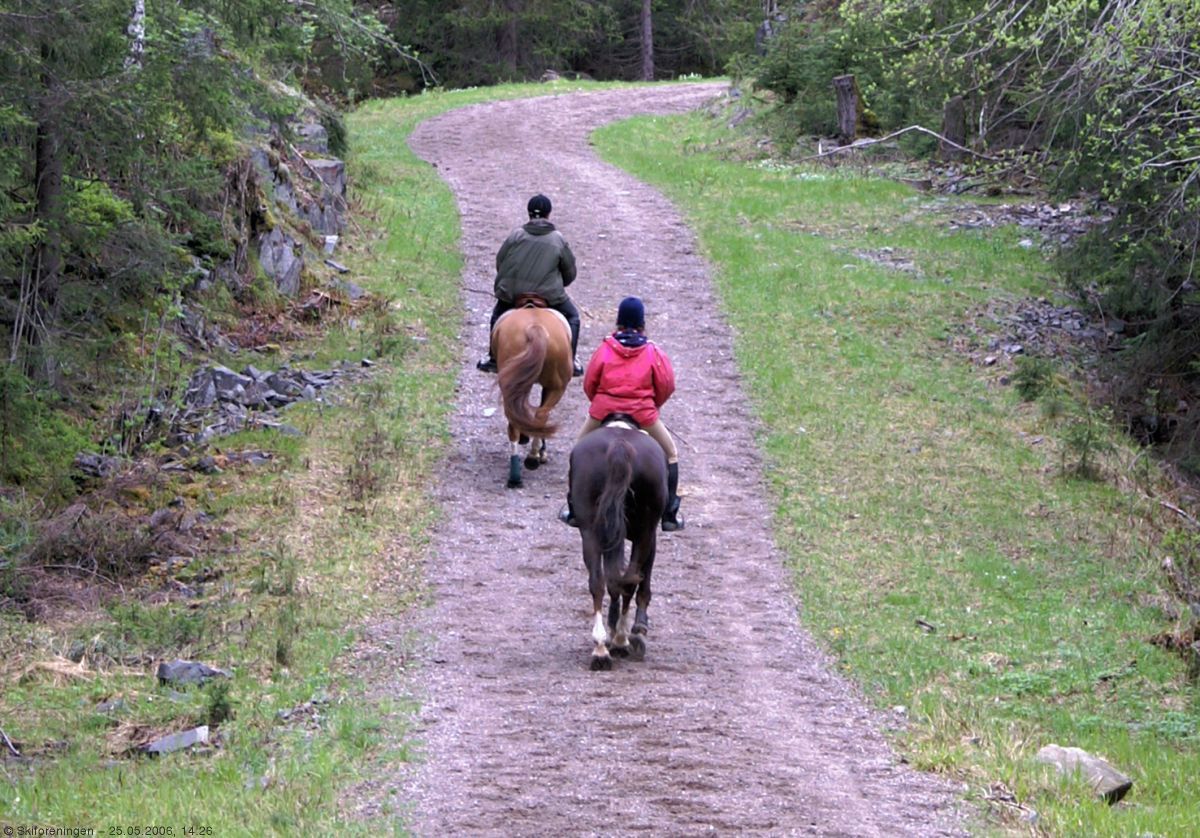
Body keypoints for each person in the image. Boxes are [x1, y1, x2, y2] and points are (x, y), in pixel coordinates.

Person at [561, 296, 684, 531]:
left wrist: (602, 403)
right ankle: (669, 514)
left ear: (618, 322)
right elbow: (666, 385)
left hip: (604, 411)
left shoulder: (605, 349)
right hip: (643, 414)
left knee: (578, 449)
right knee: (670, 454)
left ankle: (574, 508)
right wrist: (653, 406)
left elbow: (589, 383)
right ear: (642, 323)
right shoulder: (653, 352)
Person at [477, 194, 583, 376]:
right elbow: (570, 273)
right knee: (573, 317)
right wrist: (559, 284)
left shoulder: (516, 235)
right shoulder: (558, 239)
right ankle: (570, 360)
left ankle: (493, 358)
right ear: (549, 214)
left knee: (497, 315)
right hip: (549, 295)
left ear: (528, 213)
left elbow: (500, 262)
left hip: (514, 294)